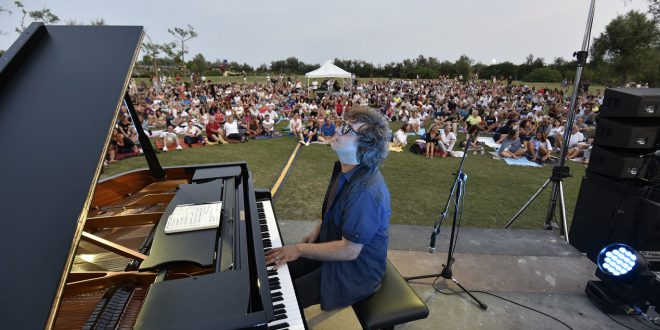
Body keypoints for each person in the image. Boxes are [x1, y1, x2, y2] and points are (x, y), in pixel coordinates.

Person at [265, 106, 392, 311]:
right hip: (335, 249)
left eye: (349, 130)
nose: (339, 130)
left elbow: (350, 251)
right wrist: (318, 229)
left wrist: (298, 249)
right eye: (343, 124)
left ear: (365, 147)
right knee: (270, 268)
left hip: (355, 271)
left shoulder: (366, 192)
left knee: (279, 299)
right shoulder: (346, 170)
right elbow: (336, 210)